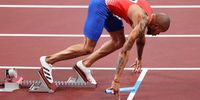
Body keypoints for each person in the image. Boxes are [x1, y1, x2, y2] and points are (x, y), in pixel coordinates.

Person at [38, 0, 170, 90]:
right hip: (101, 4)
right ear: (157, 25)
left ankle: (84, 65)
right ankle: (48, 60)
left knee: (119, 41)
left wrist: (139, 59)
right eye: (160, 31)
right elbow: (125, 51)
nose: (157, 34)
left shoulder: (149, 14)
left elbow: (141, 40)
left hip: (112, 8)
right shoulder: (142, 20)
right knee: (87, 47)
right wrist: (116, 80)